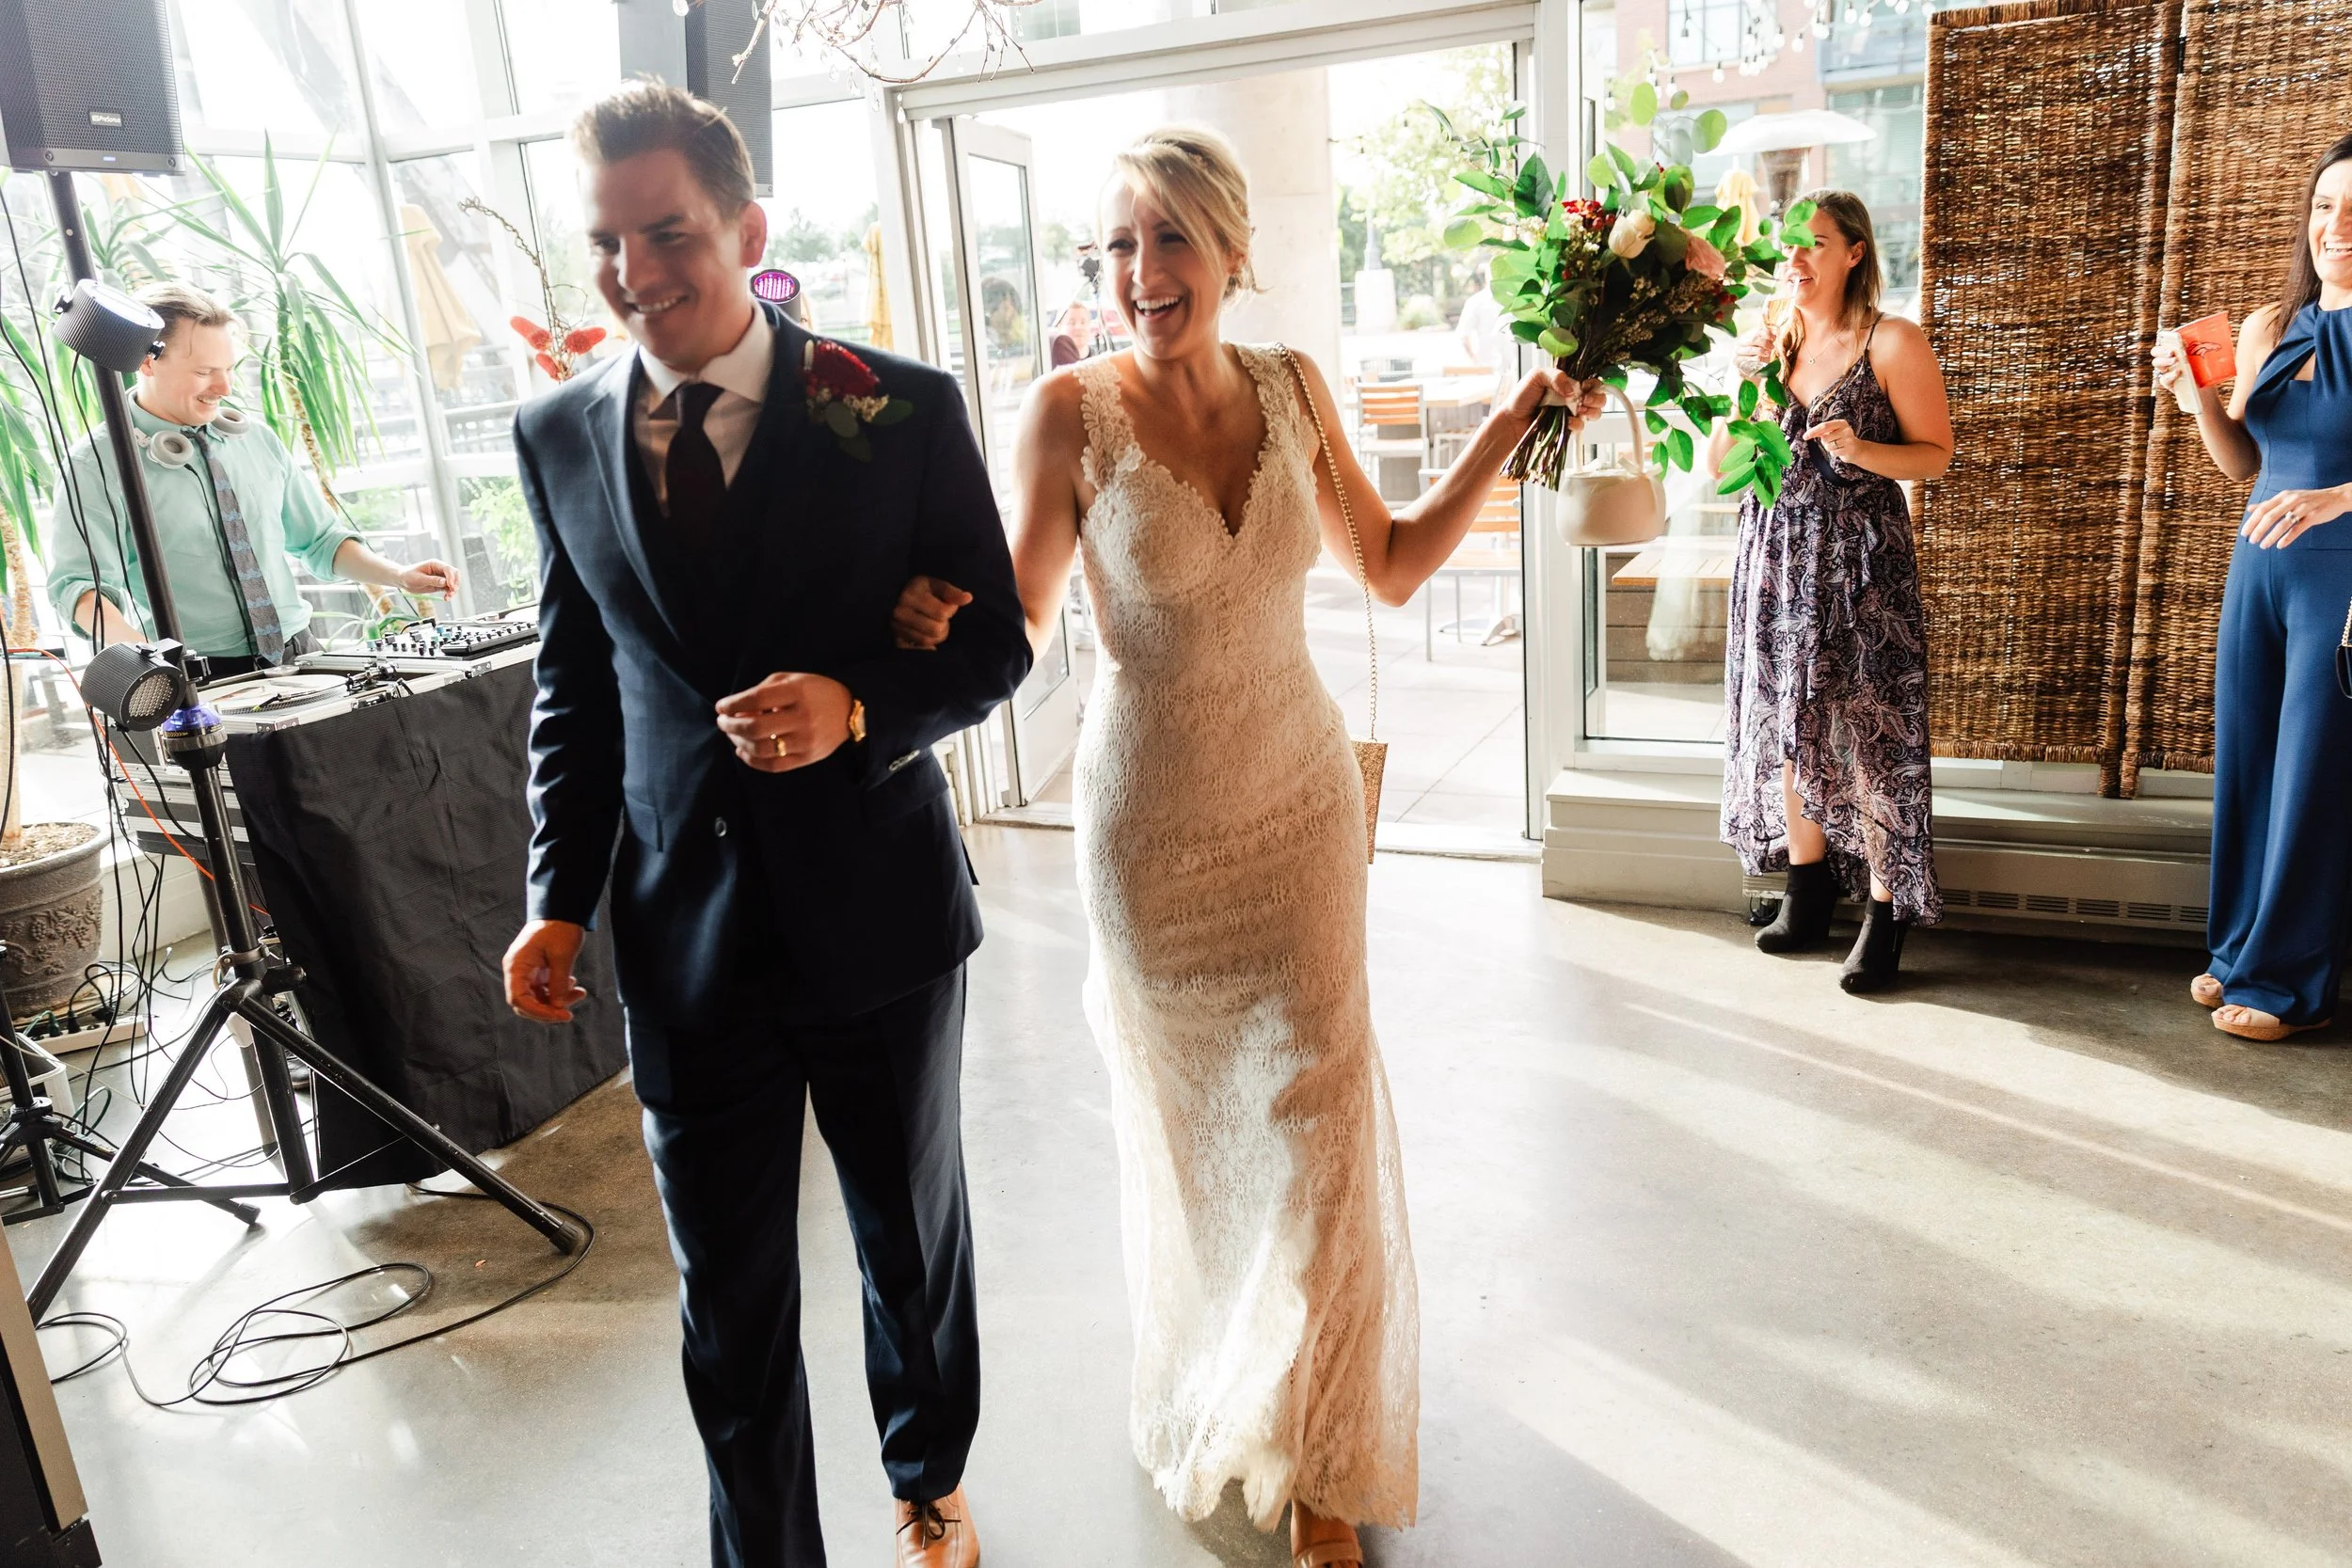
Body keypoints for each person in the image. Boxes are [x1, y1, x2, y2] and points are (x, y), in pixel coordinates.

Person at [888, 126, 1604, 1568]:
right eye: (1117, 247)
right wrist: (933, 625)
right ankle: (1244, 1388)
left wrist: (1517, 418)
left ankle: (1324, 1463)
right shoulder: (1065, 413)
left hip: (1297, 807)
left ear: (1228, 250)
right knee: (1214, 1158)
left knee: (1325, 1132)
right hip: (1152, 838)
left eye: (1168, 240)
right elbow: (1024, 620)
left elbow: (1391, 564)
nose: (1142, 273)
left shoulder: (1290, 389)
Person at [497, 82, 1029, 1568]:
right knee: (722, 1295)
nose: (635, 271)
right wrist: (556, 890)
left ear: (745, 226)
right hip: (683, 933)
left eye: (666, 231)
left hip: (879, 911)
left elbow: (992, 647)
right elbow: (575, 689)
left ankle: (928, 1473)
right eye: (606, 241)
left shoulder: (899, 404)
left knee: (908, 1243)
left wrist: (859, 704)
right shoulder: (553, 433)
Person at [1723, 190, 1954, 993]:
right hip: (1774, 559)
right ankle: (1808, 887)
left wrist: (1860, 449)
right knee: (1791, 722)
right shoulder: (1772, 342)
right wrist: (1744, 383)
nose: (1796, 260)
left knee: (1872, 738)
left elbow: (1935, 456)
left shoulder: (1890, 342)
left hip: (1862, 570)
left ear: (1854, 251)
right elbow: (1725, 466)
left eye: (1815, 244)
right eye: (1788, 246)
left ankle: (1886, 915)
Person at [2154, 132, 2352, 1043]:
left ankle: (2287, 983)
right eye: (2323, 207)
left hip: (2340, 580)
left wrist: (2339, 495)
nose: (2335, 227)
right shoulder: (2270, 325)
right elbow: (2242, 463)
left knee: (2313, 773)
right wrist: (2195, 395)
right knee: (2248, 762)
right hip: (2257, 571)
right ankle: (2237, 950)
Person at [44, 282, 459, 673]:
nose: (223, 386)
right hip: (194, 671)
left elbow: (320, 540)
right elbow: (81, 589)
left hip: (300, 653)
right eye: (205, 371)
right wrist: (153, 669)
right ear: (148, 361)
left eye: (229, 369)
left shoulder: (255, 438)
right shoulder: (95, 463)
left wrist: (398, 575)